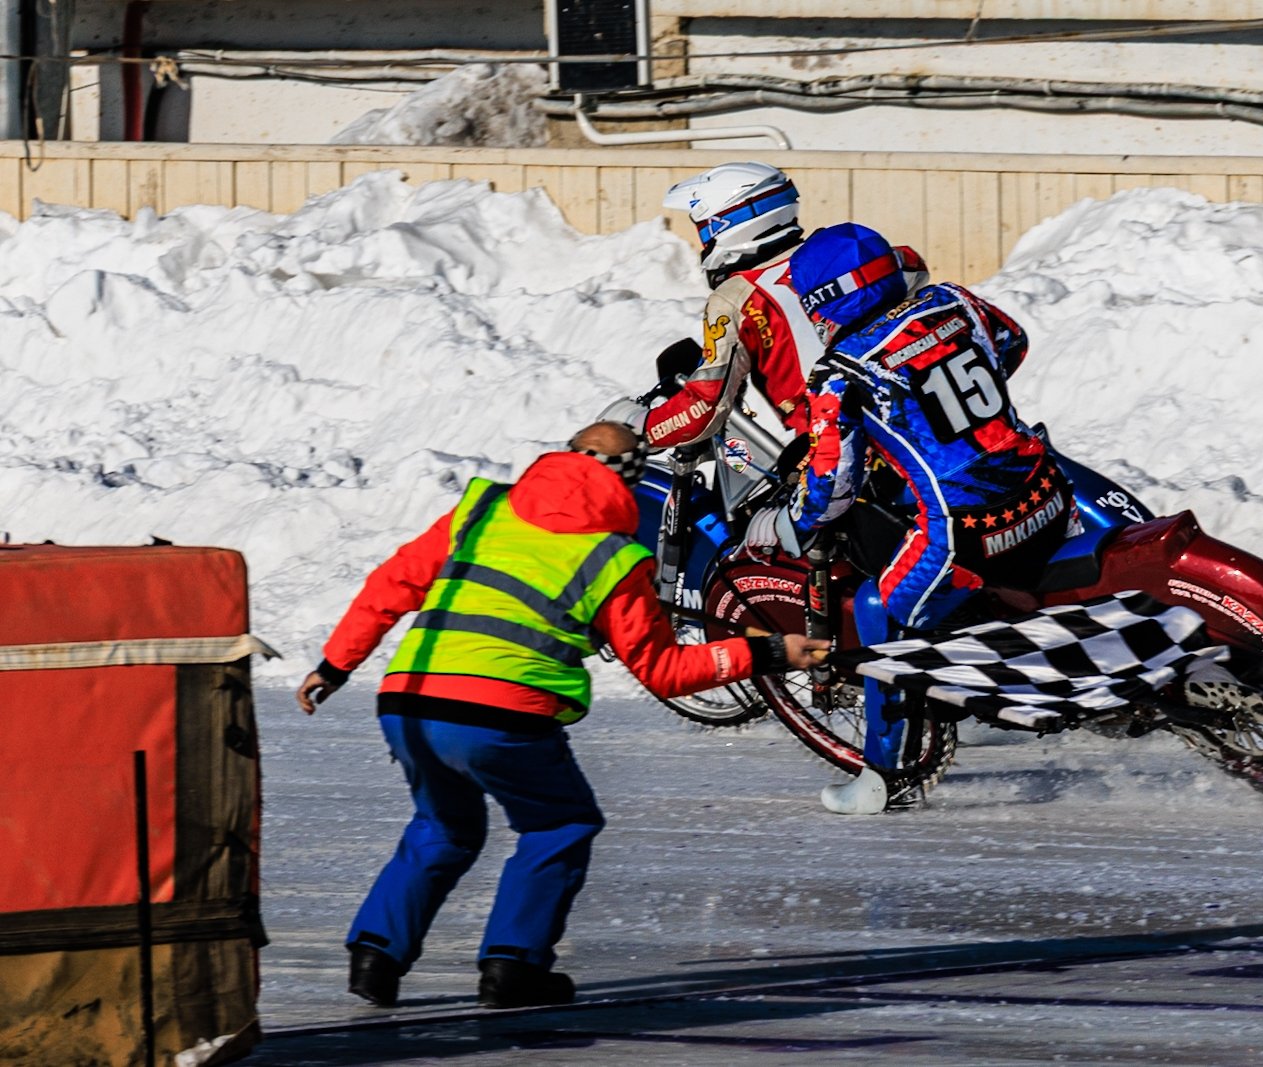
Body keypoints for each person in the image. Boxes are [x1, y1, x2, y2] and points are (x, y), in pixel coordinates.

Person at [295, 421, 826, 1009]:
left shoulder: (484, 510)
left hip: (408, 704)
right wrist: (769, 652)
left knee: (444, 828)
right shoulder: (614, 557)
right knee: (558, 825)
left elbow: (391, 583)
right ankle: (513, 967)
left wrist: (335, 665)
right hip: (501, 714)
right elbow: (665, 671)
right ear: (629, 478)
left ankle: (376, 955)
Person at [740, 223, 1081, 814]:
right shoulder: (955, 301)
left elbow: (830, 489)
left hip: (970, 530)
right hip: (1046, 494)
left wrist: (782, 523)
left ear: (826, 300)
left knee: (880, 608)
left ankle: (887, 777)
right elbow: (1012, 343)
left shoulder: (841, 373)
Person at [604, 162, 824, 449]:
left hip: (830, 443)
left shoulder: (736, 296)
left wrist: (640, 427)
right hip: (879, 422)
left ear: (727, 224)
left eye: (705, 229)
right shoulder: (839, 254)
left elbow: (706, 405)